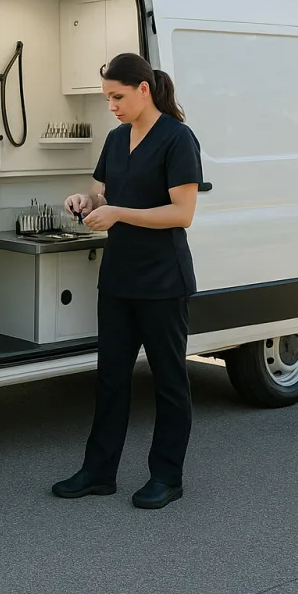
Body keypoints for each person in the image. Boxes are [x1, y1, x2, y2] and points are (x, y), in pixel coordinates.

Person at [51, 51, 202, 510]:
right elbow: (106, 194)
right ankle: (99, 472)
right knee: (111, 379)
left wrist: (118, 214)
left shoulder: (178, 139)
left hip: (162, 281)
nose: (111, 106)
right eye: (107, 98)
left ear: (144, 89)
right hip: (118, 278)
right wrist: (86, 198)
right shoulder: (117, 139)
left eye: (117, 97)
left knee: (169, 382)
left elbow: (182, 213)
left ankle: (166, 476)